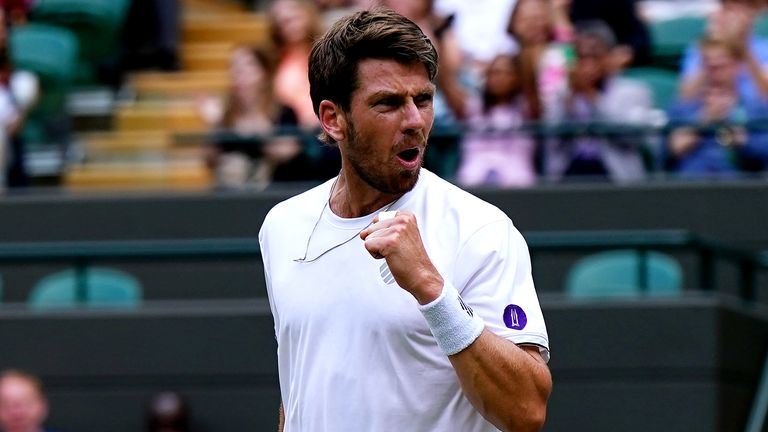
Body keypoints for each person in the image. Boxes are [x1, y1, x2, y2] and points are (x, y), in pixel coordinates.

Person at [259, 8, 551, 432]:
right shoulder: (281, 227)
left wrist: (433, 291)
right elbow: (302, 385)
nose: (414, 121)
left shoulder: (482, 230)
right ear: (332, 119)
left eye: (424, 99)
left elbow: (526, 411)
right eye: (388, 103)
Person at [544, 20, 653, 182]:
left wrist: (592, 96)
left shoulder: (634, 91)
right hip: (571, 170)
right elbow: (550, 140)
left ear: (610, 57)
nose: (587, 64)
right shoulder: (564, 93)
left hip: (614, 174)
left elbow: (632, 136)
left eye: (594, 56)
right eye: (581, 57)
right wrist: (569, 101)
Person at [197, 45, 315, 190]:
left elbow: (286, 152)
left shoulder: (284, 111)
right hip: (232, 195)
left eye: (247, 65)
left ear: (264, 73)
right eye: (234, 66)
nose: (239, 72)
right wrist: (214, 124)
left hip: (276, 192)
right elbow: (208, 159)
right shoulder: (225, 115)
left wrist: (253, 117)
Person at [666, 37, 768, 176]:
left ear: (737, 65)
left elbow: (764, 152)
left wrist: (741, 139)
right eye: (709, 65)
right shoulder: (685, 106)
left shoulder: (755, 107)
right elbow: (674, 149)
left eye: (721, 65)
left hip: (742, 187)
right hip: (691, 185)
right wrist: (705, 119)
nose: (714, 71)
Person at [456, 53, 538, 187]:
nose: (499, 78)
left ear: (517, 77)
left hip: (517, 184)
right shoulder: (473, 106)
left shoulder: (525, 108)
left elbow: (531, 82)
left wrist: (525, 44)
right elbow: (447, 82)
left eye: (506, 73)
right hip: (474, 183)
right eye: (494, 72)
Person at [678, 0, 768, 106]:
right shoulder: (699, 49)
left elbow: (765, 93)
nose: (732, 17)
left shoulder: (764, 48)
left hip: (756, 117)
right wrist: (711, 49)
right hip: (711, 116)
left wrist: (744, 46)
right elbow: (685, 97)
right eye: (727, 9)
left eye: (740, 10)